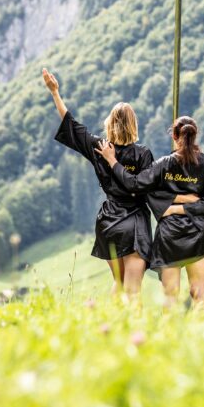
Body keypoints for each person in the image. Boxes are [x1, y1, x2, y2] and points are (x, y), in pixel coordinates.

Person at [96, 116, 204, 308]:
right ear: (195, 135)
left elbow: (134, 184)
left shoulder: (164, 164)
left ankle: (169, 328)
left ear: (174, 136)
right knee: (199, 294)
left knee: (170, 295)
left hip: (169, 237)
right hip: (197, 234)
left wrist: (112, 160)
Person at [42, 68, 154, 299]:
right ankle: (130, 323)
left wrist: (55, 92)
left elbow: (72, 125)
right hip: (134, 223)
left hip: (109, 221)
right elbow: (145, 187)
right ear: (133, 124)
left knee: (119, 283)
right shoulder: (143, 154)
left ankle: (103, 319)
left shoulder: (99, 147)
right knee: (133, 290)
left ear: (110, 123)